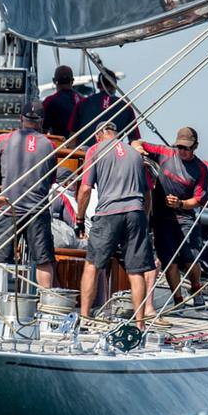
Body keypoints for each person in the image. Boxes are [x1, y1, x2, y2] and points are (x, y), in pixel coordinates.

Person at [0, 100, 57, 289]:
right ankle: (46, 305)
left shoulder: (7, 139)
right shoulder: (50, 146)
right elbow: (51, 180)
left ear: (21, 118)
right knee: (43, 260)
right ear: (41, 121)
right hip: (37, 210)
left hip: (9, 208)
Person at [75, 122, 154, 329]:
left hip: (109, 213)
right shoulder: (135, 154)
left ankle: (84, 318)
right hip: (135, 213)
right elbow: (147, 193)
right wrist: (143, 219)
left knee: (92, 266)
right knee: (136, 271)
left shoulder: (94, 149)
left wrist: (79, 219)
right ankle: (140, 325)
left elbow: (85, 190)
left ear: (99, 135)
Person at [132, 126, 207, 306]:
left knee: (190, 260)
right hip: (162, 219)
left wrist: (180, 203)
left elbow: (197, 200)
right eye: (180, 147)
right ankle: (178, 300)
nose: (182, 151)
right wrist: (138, 149)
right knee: (170, 262)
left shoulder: (200, 168)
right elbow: (137, 142)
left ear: (195, 147)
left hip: (185, 217)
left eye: (186, 148)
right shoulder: (165, 153)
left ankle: (196, 286)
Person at [68, 69, 140, 144]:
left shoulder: (82, 104)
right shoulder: (126, 107)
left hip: (85, 153)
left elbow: (73, 135)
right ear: (115, 84)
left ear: (98, 85)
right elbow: (134, 139)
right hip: (112, 152)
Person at [42, 65, 79, 138]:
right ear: (72, 81)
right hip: (81, 146)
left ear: (54, 81)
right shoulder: (83, 100)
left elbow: (43, 130)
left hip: (59, 146)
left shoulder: (49, 101)